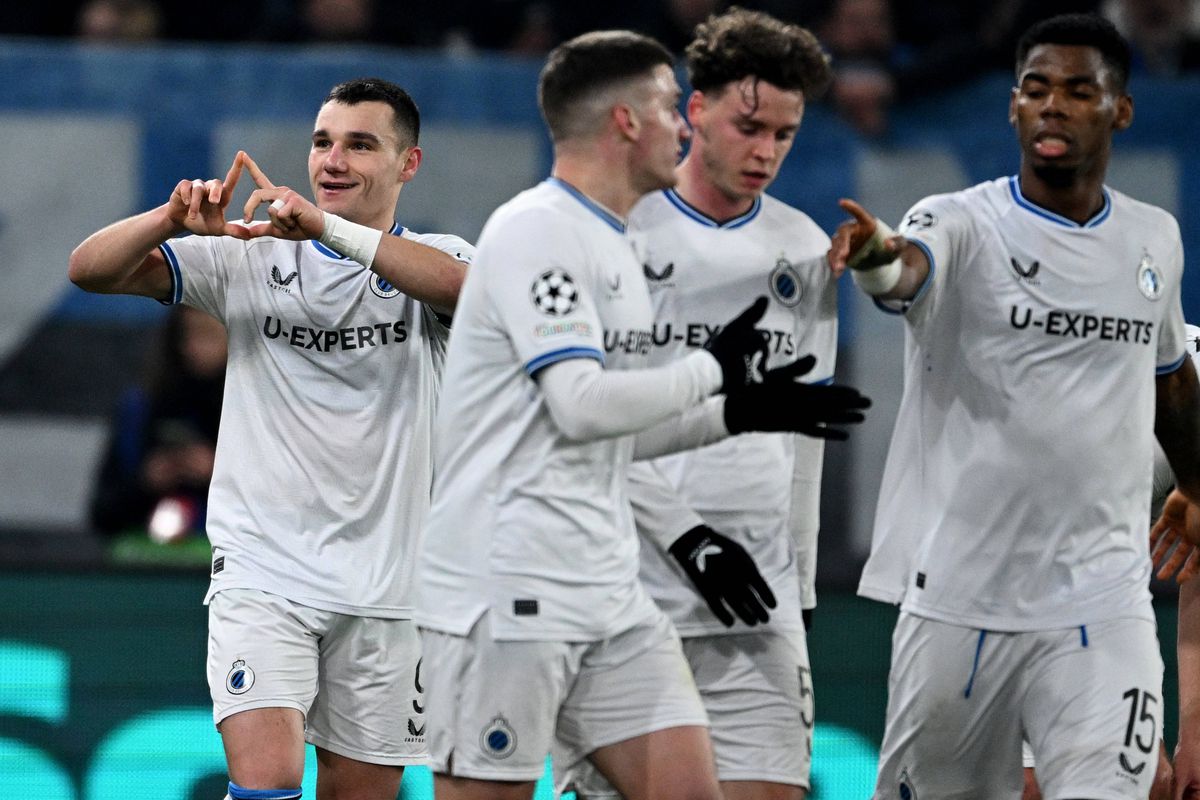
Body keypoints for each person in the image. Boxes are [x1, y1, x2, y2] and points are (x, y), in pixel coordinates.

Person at [414, 30, 869, 800]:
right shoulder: (537, 231)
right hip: (506, 588)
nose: (682, 126)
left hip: (608, 591)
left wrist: (738, 411)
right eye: (668, 106)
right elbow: (580, 406)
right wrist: (712, 371)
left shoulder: (612, 243)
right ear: (625, 122)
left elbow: (620, 430)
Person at [828, 13, 1200, 800]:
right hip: (960, 603)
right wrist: (874, 258)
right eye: (1036, 89)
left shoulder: (1154, 239)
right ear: (1013, 106)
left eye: (1078, 90)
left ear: (1121, 110)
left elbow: (1170, 376)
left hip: (1104, 601)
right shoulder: (959, 220)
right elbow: (905, 271)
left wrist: (1197, 484)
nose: (1053, 105)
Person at [68, 77, 472, 800]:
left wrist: (328, 231)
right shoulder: (248, 256)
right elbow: (89, 270)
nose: (333, 161)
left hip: (388, 587)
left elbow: (468, 294)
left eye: (360, 145)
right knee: (267, 784)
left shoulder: (435, 259)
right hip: (264, 572)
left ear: (408, 163)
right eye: (323, 142)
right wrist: (169, 218)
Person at [554, 9, 838, 800]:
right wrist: (686, 537)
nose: (766, 152)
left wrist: (803, 587)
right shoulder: (613, 232)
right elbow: (581, 421)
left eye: (784, 134)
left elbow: (805, 433)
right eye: (750, 127)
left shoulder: (806, 247)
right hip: (624, 589)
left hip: (757, 600)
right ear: (697, 110)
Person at [90, 305, 226, 541]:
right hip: (146, 553)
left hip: (225, 553)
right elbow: (103, 513)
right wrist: (148, 480)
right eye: (185, 334)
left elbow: (278, 508)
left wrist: (221, 473)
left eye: (208, 334)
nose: (194, 347)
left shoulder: (254, 413)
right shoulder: (140, 410)